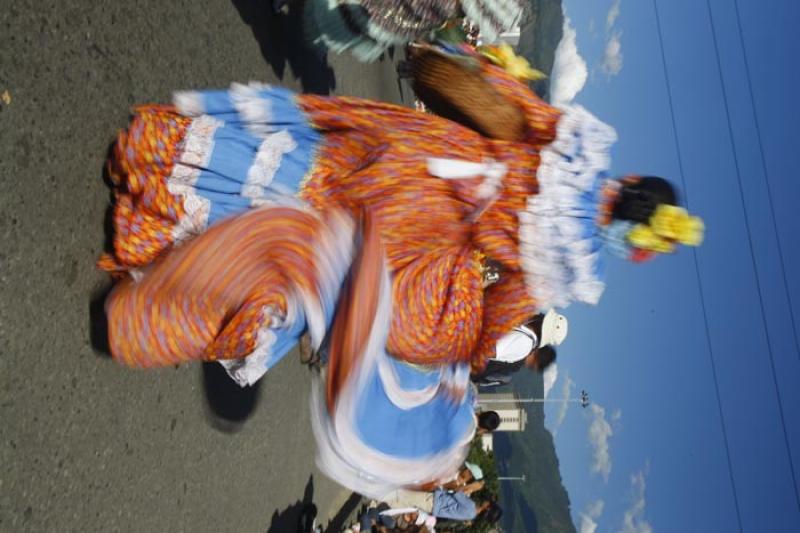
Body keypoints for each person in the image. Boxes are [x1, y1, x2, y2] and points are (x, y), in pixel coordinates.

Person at [99, 45, 702, 497]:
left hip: (426, 158)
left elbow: (508, 103)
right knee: (323, 249)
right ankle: (175, 262)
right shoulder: (574, 257)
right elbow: (503, 310)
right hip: (432, 232)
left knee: (322, 168)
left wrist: (474, 63)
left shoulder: (579, 149)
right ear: (632, 240)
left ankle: (159, 159)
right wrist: (464, 357)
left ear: (628, 184)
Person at [300, 0, 525, 62]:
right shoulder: (452, 6)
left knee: (346, 25)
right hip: (384, 12)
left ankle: (319, 36)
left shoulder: (456, 9)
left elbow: (427, 20)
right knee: (340, 17)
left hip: (392, 20)